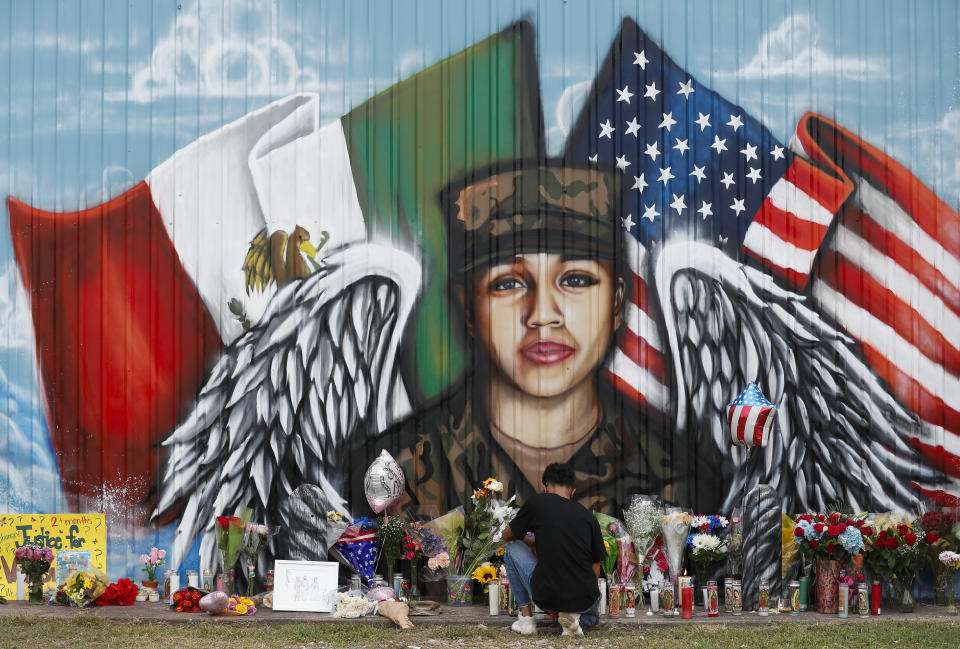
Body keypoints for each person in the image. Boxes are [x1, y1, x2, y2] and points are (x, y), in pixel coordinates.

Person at [352, 162, 710, 517]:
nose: (542, 314)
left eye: (576, 279)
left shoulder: (675, 477)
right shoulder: (398, 474)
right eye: (508, 283)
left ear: (616, 302)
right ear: (468, 310)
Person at [500, 462, 604, 636]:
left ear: (545, 487)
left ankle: (526, 619)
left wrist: (528, 540)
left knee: (512, 549)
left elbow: (507, 536)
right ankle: (576, 617)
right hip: (584, 596)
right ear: (573, 491)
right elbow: (596, 569)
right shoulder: (588, 517)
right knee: (593, 609)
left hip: (547, 594)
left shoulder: (537, 503)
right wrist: (534, 543)